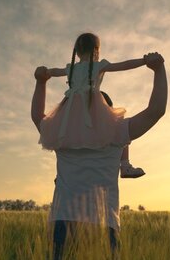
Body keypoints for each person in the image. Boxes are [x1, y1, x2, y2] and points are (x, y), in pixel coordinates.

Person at [31, 33, 167, 260]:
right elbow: (156, 110)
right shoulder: (117, 133)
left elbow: (37, 115)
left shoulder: (60, 133)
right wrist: (157, 69)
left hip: (62, 220)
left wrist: (40, 82)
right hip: (102, 225)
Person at [39, 32, 146, 178]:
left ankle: (62, 175)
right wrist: (144, 60)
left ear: (76, 52)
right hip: (92, 105)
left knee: (67, 135)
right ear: (96, 50)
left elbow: (54, 72)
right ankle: (125, 165)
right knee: (117, 126)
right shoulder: (98, 65)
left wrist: (44, 73)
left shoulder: (71, 68)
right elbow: (123, 65)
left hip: (69, 109)